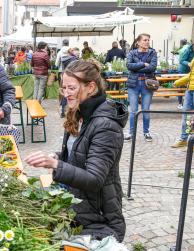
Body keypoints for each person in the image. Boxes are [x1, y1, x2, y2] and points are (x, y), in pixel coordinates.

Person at [25, 60, 127, 243]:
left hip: (98, 215)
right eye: (63, 88)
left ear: (91, 87)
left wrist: (56, 165)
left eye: (71, 88)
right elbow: (77, 155)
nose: (66, 94)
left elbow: (95, 179)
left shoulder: (106, 126)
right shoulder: (79, 112)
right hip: (76, 203)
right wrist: (58, 156)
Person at [171, 30, 194, 150]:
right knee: (186, 114)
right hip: (190, 88)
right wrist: (177, 82)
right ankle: (183, 138)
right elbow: (192, 73)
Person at [125, 33, 157, 142]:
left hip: (147, 84)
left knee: (146, 110)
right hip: (133, 85)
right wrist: (143, 64)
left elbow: (152, 68)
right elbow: (129, 66)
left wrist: (136, 67)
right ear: (138, 42)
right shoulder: (132, 53)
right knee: (133, 110)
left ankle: (146, 132)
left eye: (148, 40)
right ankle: (131, 132)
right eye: (145, 40)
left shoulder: (152, 53)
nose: (147, 42)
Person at [176, 39, 194, 110]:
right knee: (181, 86)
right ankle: (180, 103)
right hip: (183, 70)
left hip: (192, 71)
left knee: (190, 87)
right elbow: (181, 60)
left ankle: (189, 102)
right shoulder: (187, 49)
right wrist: (189, 64)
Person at [56, 39, 71, 118]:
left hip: (61, 72)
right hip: (70, 73)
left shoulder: (60, 52)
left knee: (62, 88)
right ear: (68, 44)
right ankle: (68, 106)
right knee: (70, 88)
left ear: (62, 43)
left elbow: (56, 63)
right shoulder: (71, 51)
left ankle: (61, 106)